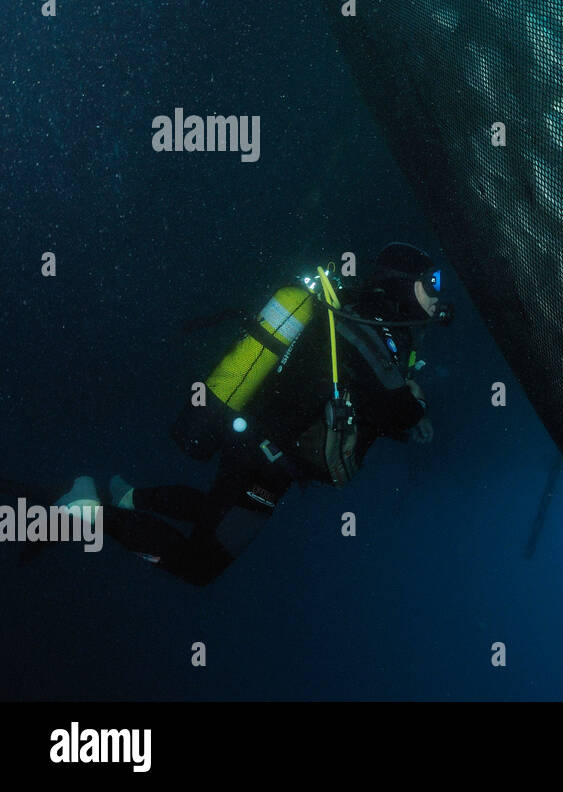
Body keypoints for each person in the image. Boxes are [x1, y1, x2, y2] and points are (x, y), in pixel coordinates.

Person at [55, 242, 454, 586]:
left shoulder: (365, 327)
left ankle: (126, 496)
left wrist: (409, 413)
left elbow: (372, 407)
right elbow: (396, 409)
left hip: (262, 446)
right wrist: (417, 405)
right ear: (403, 280)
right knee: (200, 566)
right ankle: (88, 512)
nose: (439, 294)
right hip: (266, 457)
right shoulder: (366, 326)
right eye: (431, 281)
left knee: (214, 511)